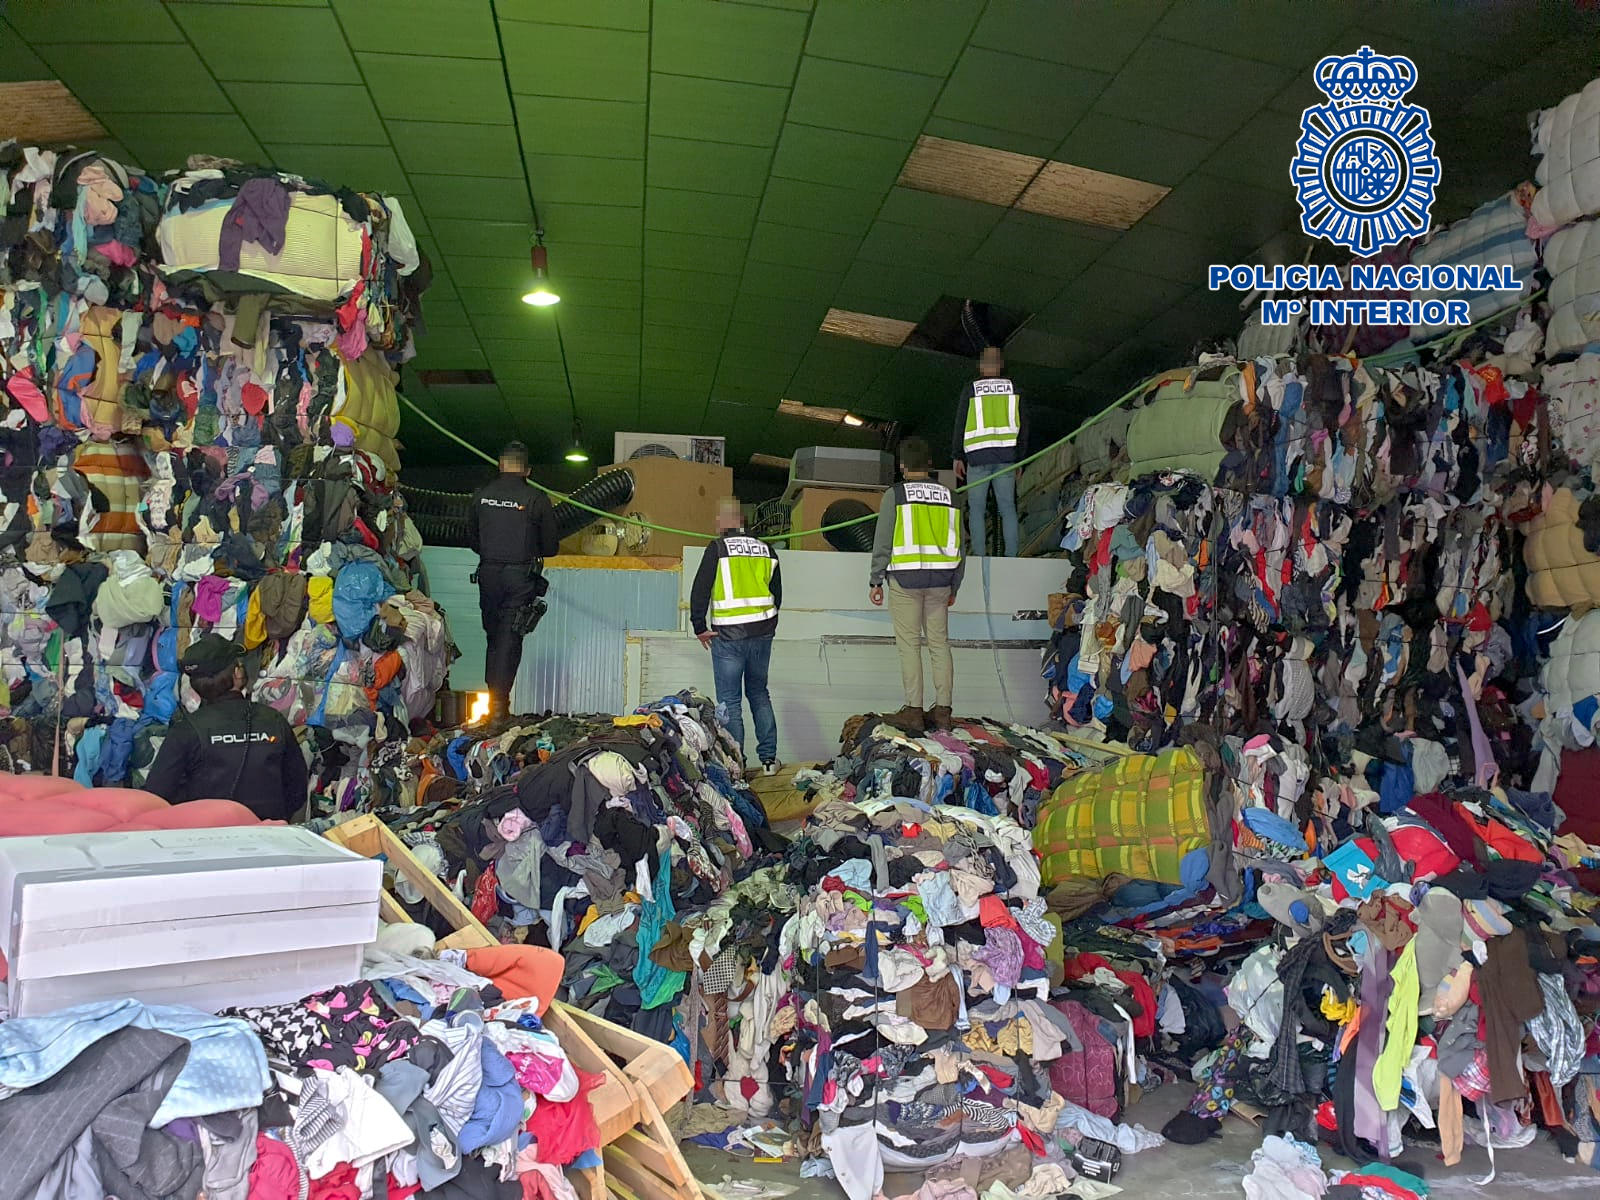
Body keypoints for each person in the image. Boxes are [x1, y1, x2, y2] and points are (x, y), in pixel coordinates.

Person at [144, 634, 309, 821]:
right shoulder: (273, 720)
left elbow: (157, 795)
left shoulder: (186, 731)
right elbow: (297, 789)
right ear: (237, 673)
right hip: (268, 838)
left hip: (205, 841)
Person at [869, 436, 964, 734]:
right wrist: (955, 586)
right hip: (941, 584)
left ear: (901, 466)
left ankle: (913, 711)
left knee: (909, 646)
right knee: (939, 645)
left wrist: (876, 579)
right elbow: (962, 545)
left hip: (905, 582)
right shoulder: (952, 496)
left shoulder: (895, 494)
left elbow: (883, 540)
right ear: (931, 465)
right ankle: (944, 711)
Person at [690, 497, 783, 775]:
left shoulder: (717, 548)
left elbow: (700, 589)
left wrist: (699, 626)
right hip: (762, 634)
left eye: (718, 520)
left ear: (726, 522)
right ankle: (768, 761)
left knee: (730, 702)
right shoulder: (767, 549)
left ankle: (736, 764)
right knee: (759, 694)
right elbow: (777, 594)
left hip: (728, 636)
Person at [468, 441, 558, 719]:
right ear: (527, 470)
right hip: (519, 577)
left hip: (488, 574)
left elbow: (472, 540)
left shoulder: (480, 497)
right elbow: (550, 547)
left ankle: (493, 702)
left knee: (493, 638)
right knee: (510, 637)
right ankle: (498, 709)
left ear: (500, 464)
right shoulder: (536, 499)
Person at [953, 345, 1027, 557]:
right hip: (1006, 458)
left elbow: (961, 422)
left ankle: (979, 554)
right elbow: (1024, 427)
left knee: (976, 509)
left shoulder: (972, 389)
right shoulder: (1015, 389)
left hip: (978, 458)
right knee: (1007, 508)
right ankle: (1012, 556)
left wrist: (957, 455)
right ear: (1001, 365)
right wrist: (1020, 460)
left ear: (982, 365)